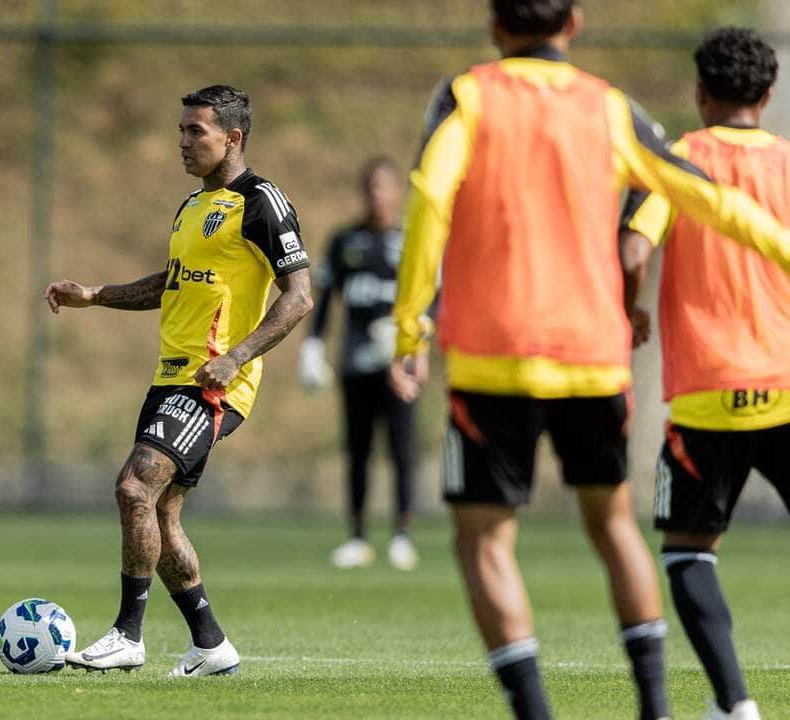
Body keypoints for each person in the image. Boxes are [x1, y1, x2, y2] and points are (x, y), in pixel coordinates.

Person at [389, 2, 790, 719]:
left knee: (485, 539)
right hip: (593, 357)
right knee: (612, 527)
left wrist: (408, 326)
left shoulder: (466, 96)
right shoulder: (609, 108)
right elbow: (711, 201)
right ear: (572, 23)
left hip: (494, 355)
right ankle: (656, 708)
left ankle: (541, 712)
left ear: (493, 24)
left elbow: (427, 195)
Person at [44, 85, 312, 677]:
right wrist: (95, 296)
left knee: (133, 488)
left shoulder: (262, 203)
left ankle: (127, 636)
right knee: (161, 514)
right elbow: (172, 282)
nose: (183, 143)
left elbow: (299, 298)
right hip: (171, 378)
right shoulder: (194, 205)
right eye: (181, 131)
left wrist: (237, 356)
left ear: (233, 138)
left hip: (213, 384)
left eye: (197, 132)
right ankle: (211, 645)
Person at [619, 27, 788, 720]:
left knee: (688, 548)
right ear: (768, 95)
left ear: (698, 92)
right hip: (784, 384)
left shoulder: (678, 159)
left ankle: (734, 704)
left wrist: (632, 311)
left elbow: (632, 249)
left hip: (706, 392)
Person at [298, 157, 426, 570]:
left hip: (399, 366)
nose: (378, 196)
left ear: (395, 192)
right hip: (356, 363)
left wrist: (416, 341)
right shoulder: (345, 241)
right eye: (371, 188)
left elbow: (430, 299)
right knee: (358, 451)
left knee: (402, 450)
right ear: (364, 192)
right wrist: (313, 346)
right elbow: (326, 297)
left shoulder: (410, 242)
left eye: (384, 188)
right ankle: (357, 537)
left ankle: (402, 535)